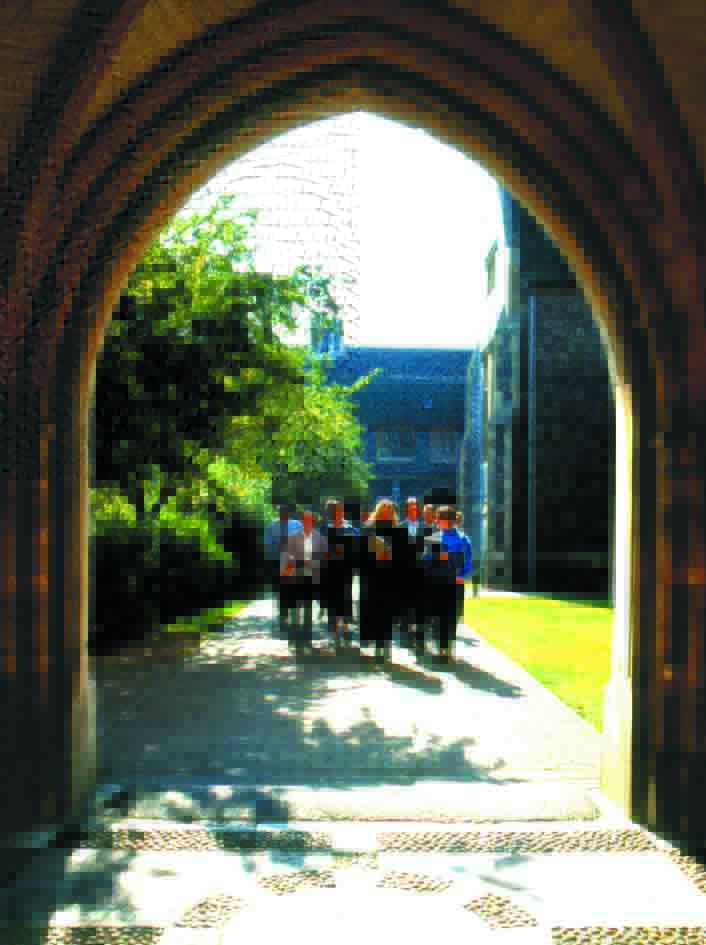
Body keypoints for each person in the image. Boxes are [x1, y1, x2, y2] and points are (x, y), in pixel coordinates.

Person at [422, 506, 472, 664]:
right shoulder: (434, 538)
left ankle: (447, 650)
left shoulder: (462, 538)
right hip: (437, 583)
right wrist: (435, 558)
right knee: (437, 617)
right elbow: (425, 561)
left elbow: (468, 561)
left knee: (451, 616)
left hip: (454, 584)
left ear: (446, 520)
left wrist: (461, 576)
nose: (436, 520)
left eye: (438, 517)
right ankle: (440, 650)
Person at [359, 498, 405, 664]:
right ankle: (378, 646)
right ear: (378, 511)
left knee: (387, 612)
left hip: (390, 577)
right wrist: (375, 556)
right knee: (375, 612)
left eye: (389, 511)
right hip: (372, 576)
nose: (386, 513)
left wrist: (390, 556)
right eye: (383, 510)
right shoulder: (368, 528)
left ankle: (386, 645)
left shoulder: (397, 530)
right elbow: (360, 552)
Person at [280, 510, 328, 651]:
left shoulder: (319, 538)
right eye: (305, 519)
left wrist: (314, 563)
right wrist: (300, 562)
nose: (307, 522)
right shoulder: (293, 537)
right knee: (295, 609)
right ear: (301, 521)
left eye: (310, 519)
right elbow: (287, 556)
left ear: (313, 521)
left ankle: (306, 639)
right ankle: (295, 639)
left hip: (311, 577)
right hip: (296, 576)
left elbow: (324, 556)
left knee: (308, 608)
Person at [320, 498, 359, 643]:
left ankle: (346, 626)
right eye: (335, 511)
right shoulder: (324, 529)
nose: (339, 513)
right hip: (330, 567)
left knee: (346, 595)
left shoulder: (349, 528)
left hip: (346, 567)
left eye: (339, 510)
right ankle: (335, 628)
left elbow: (357, 545)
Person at [264, 505, 302, 633]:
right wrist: (276, 545)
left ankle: (295, 619)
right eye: (281, 512)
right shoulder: (272, 526)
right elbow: (267, 543)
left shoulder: (297, 524)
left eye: (285, 511)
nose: (283, 514)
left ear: (289, 512)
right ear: (278, 513)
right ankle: (283, 619)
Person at [398, 497, 426, 649]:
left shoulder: (425, 527)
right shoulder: (400, 527)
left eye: (415, 508)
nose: (413, 510)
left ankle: (419, 639)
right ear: (406, 509)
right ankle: (406, 638)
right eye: (410, 508)